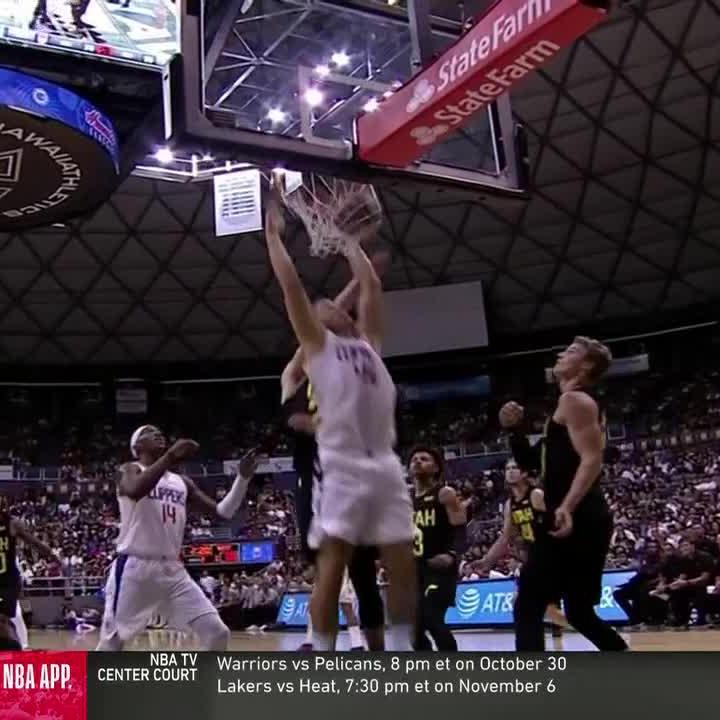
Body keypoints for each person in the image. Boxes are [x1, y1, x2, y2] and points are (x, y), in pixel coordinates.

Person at [265, 183, 416, 651]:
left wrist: (350, 242)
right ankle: (325, 653)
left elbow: (370, 286)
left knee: (400, 559)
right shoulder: (316, 348)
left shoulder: (369, 343)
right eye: (322, 305)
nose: (328, 303)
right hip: (341, 465)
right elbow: (291, 286)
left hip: (386, 464)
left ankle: (405, 650)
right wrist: (273, 235)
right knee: (334, 562)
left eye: (331, 303)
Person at [281, 257, 388, 652]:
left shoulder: (357, 361)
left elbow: (334, 322)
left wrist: (362, 279)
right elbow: (312, 328)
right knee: (329, 573)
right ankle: (319, 645)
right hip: (318, 482)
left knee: (361, 574)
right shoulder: (300, 375)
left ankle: (371, 651)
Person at [500, 336, 628, 651]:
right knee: (580, 613)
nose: (560, 353)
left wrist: (568, 506)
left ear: (585, 365)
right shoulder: (567, 405)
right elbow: (532, 464)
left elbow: (593, 459)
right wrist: (514, 429)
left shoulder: (576, 401)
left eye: (570, 351)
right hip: (583, 517)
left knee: (528, 602)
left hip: (574, 516)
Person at [96, 426, 260, 651]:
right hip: (135, 567)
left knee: (217, 633)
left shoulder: (181, 482)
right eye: (149, 433)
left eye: (159, 432)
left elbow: (223, 512)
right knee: (113, 641)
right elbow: (134, 490)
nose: (157, 433)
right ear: (137, 447)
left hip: (172, 569)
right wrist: (171, 456)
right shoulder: (130, 469)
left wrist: (242, 478)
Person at [479, 458, 568, 635]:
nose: (511, 471)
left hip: (551, 555)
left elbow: (558, 524)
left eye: (516, 467)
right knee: (524, 608)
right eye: (508, 468)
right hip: (535, 558)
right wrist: (486, 560)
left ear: (525, 473)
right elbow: (505, 537)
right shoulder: (510, 504)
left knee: (525, 606)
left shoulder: (536, 495)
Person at [409, 446, 465, 651]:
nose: (417, 461)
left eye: (424, 459)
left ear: (436, 468)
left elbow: (460, 530)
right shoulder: (406, 499)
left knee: (431, 617)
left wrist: (451, 555)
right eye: (414, 459)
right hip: (414, 568)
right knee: (412, 628)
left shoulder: (444, 494)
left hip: (439, 568)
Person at [0, 501, 55, 650]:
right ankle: (18, 648)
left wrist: (51, 554)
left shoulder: (11, 524)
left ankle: (20, 650)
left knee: (3, 621)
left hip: (8, 581)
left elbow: (33, 541)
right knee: (5, 624)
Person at [649, 539, 714, 628]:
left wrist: (685, 582)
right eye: (682, 546)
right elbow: (682, 575)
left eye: (686, 545)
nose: (684, 548)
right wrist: (673, 585)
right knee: (676, 592)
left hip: (705, 584)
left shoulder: (704, 556)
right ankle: (680, 620)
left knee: (699, 590)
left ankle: (702, 620)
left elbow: (704, 578)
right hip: (688, 584)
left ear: (693, 546)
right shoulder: (683, 559)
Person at [612, 541, 664, 626]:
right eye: (649, 547)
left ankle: (643, 619)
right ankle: (634, 618)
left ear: (658, 549)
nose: (651, 549)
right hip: (640, 586)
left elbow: (653, 574)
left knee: (642, 590)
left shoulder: (662, 560)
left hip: (653, 587)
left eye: (654, 547)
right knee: (618, 594)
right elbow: (640, 575)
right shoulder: (645, 561)